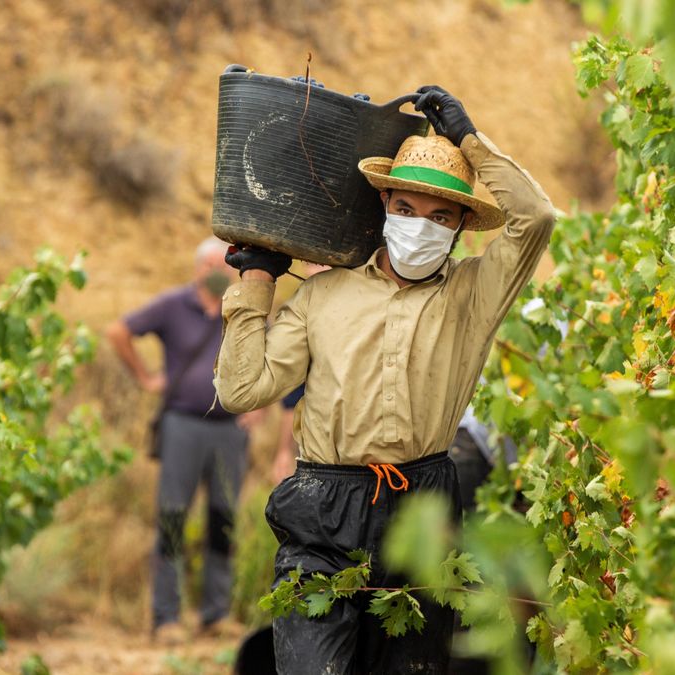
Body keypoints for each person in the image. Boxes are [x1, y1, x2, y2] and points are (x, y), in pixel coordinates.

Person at [215, 85, 555, 673]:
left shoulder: (473, 294)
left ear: (459, 228)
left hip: (422, 509)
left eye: (439, 216)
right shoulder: (323, 295)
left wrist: (468, 142)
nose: (419, 226)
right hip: (323, 511)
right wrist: (255, 286)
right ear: (385, 208)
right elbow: (242, 390)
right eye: (406, 209)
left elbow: (537, 217)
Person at [105, 236, 253, 642]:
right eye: (210, 266)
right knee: (172, 519)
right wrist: (146, 378)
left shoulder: (242, 308)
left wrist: (257, 406)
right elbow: (119, 331)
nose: (218, 273)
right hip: (183, 426)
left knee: (223, 521)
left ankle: (216, 615)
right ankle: (166, 618)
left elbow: (269, 353)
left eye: (225, 266)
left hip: (229, 430)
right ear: (197, 269)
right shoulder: (174, 305)